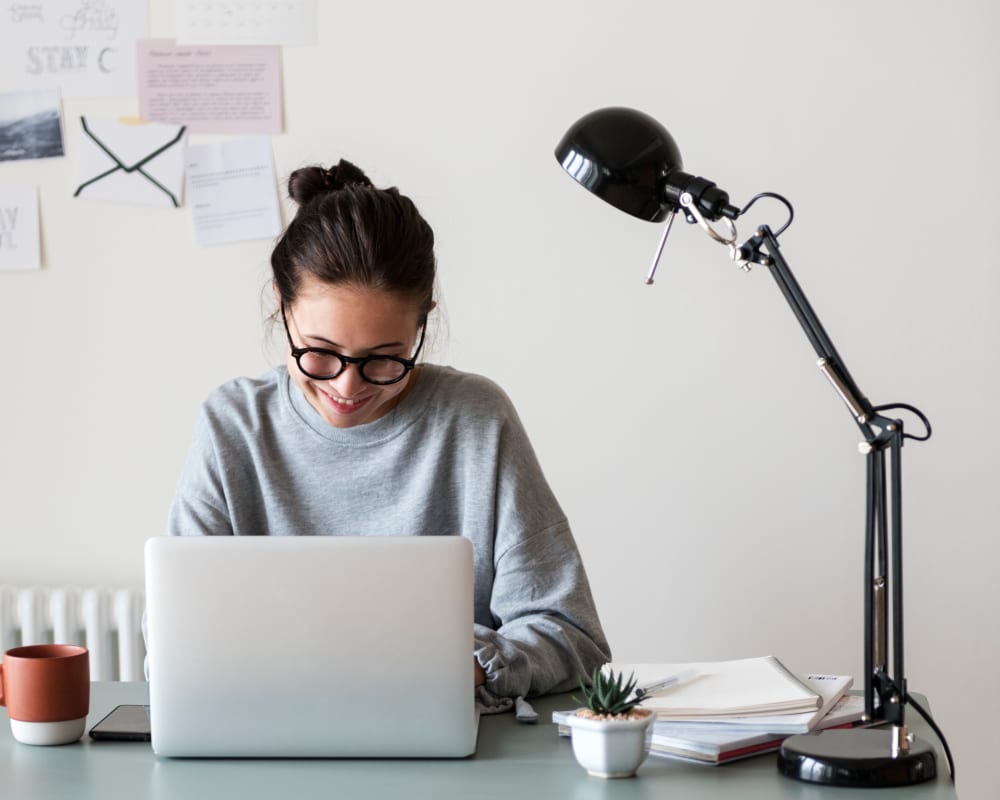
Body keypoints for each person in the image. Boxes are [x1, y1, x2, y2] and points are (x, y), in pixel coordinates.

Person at [166, 159, 611, 711]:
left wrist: (466, 665)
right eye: (320, 353)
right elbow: (174, 635)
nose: (348, 386)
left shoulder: (476, 421)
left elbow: (573, 636)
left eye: (384, 359)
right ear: (282, 309)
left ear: (420, 327)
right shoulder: (232, 425)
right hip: (265, 737)